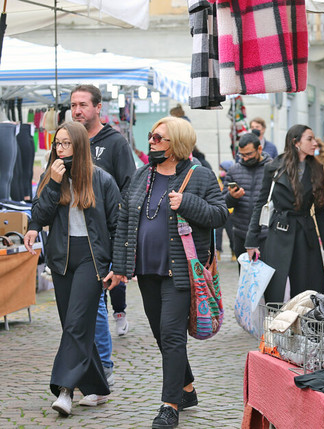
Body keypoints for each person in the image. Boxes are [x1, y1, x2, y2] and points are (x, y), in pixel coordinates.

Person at [104, 116, 227, 429]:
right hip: (146, 270)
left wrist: (186, 202)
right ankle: (186, 389)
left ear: (178, 144)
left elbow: (218, 215)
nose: (151, 142)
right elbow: (126, 223)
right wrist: (119, 269)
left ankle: (168, 406)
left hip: (180, 272)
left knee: (172, 336)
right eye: (151, 136)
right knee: (162, 334)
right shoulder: (143, 173)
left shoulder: (199, 175)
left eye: (159, 138)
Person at [23, 121, 121, 415]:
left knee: (77, 323)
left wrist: (117, 266)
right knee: (73, 325)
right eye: (57, 143)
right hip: (62, 258)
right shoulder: (52, 176)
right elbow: (39, 215)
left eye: (66, 143)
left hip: (93, 258)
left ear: (80, 146)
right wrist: (53, 184)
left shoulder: (101, 179)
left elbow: (117, 225)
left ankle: (64, 389)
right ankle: (98, 387)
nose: (60, 149)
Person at [70, 84, 135, 386]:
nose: (77, 111)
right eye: (73, 105)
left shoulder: (115, 143)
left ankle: (101, 370)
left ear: (98, 108)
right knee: (85, 307)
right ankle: (91, 368)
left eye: (83, 105)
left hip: (104, 237)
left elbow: (129, 189)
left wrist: (123, 233)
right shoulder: (66, 141)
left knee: (96, 305)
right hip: (74, 238)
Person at [246, 124, 324, 303]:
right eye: (310, 139)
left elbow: (321, 210)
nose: (315, 143)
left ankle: (307, 324)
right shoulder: (274, 167)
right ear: (296, 142)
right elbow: (261, 203)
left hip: (306, 234)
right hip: (279, 232)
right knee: (277, 290)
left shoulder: (317, 168)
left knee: (308, 289)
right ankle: (277, 325)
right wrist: (251, 240)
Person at [223, 132, 272, 263]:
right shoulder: (233, 170)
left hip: (266, 234)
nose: (244, 158)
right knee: (245, 278)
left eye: (248, 154)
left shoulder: (272, 169)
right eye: (241, 155)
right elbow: (223, 202)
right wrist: (232, 197)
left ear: (259, 149)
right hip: (241, 233)